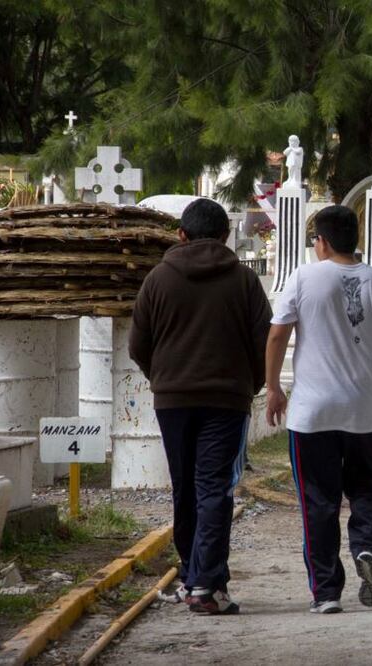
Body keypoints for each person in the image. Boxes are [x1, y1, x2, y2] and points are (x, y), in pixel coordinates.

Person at [129, 199, 272, 615]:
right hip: (227, 400)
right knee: (213, 488)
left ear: (181, 235)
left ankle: (197, 577)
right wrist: (250, 384)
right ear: (226, 236)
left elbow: (138, 344)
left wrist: (162, 378)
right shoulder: (244, 281)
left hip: (172, 401)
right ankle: (205, 583)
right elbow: (263, 342)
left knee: (185, 487)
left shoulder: (157, 279)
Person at [266, 205, 372, 615]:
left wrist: (273, 387)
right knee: (367, 487)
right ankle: (366, 547)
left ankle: (326, 592)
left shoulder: (304, 277)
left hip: (313, 413)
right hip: (365, 409)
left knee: (318, 501)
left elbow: (278, 335)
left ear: (322, 242)